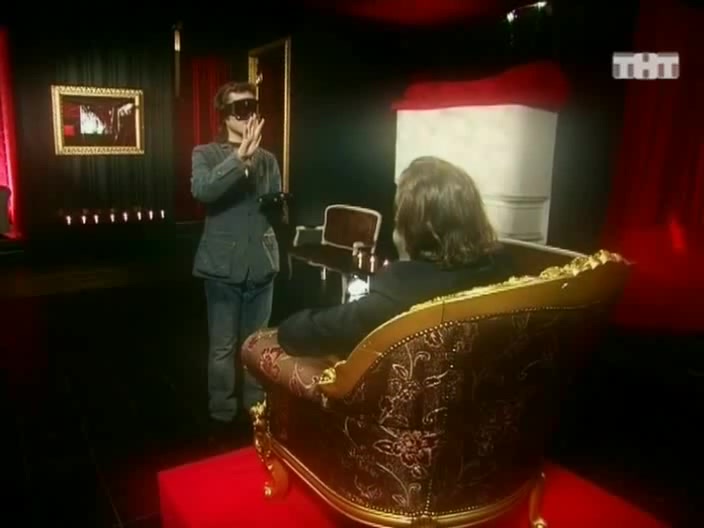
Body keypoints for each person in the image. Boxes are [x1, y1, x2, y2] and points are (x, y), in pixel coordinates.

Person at [273, 156, 515, 358]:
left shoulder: (401, 292)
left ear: (414, 228)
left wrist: (283, 328)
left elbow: (299, 333)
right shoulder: (501, 273)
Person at [191, 81, 282, 429]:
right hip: (221, 268)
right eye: (239, 109)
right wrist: (238, 159)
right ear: (225, 116)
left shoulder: (268, 159)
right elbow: (203, 191)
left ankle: (254, 406)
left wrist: (280, 206)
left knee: (255, 345)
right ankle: (222, 411)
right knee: (223, 346)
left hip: (261, 266)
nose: (247, 115)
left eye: (252, 107)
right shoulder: (205, 153)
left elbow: (274, 210)